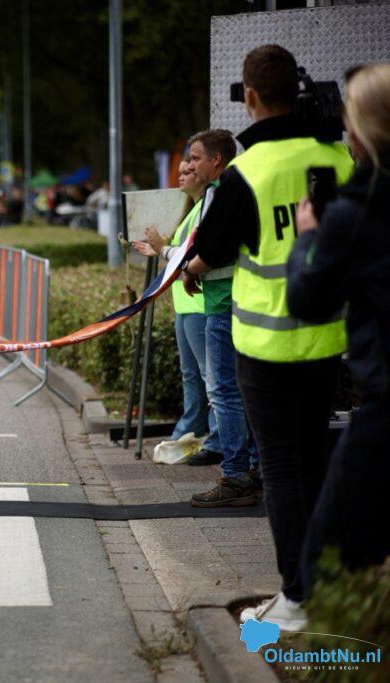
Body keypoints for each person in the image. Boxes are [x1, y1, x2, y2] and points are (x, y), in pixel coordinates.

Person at [183, 45, 354, 630]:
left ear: (250, 96)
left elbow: (213, 248)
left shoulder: (248, 171)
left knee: (280, 469)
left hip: (265, 345)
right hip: (327, 338)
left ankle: (297, 598)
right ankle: (326, 585)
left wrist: (188, 269)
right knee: (315, 461)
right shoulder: (336, 155)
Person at [288, 64, 390, 599]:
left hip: (384, 407)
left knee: (324, 558)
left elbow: (308, 299)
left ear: (363, 129)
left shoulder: (356, 212)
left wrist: (308, 237)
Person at [182, 129, 259, 504]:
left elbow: (215, 248)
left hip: (222, 303)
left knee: (223, 391)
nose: (190, 165)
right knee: (239, 390)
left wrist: (189, 268)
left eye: (196, 158)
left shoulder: (222, 190)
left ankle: (236, 476)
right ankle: (253, 469)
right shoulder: (229, 187)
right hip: (233, 299)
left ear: (216, 159)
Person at [133, 159, 221, 465]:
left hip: (198, 304)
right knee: (191, 375)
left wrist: (162, 248)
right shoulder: (192, 211)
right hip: (185, 304)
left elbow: (190, 256)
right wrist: (159, 251)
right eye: (181, 171)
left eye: (189, 170)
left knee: (210, 377)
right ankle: (192, 429)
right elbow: (180, 257)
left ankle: (216, 438)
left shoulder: (204, 208)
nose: (182, 176)